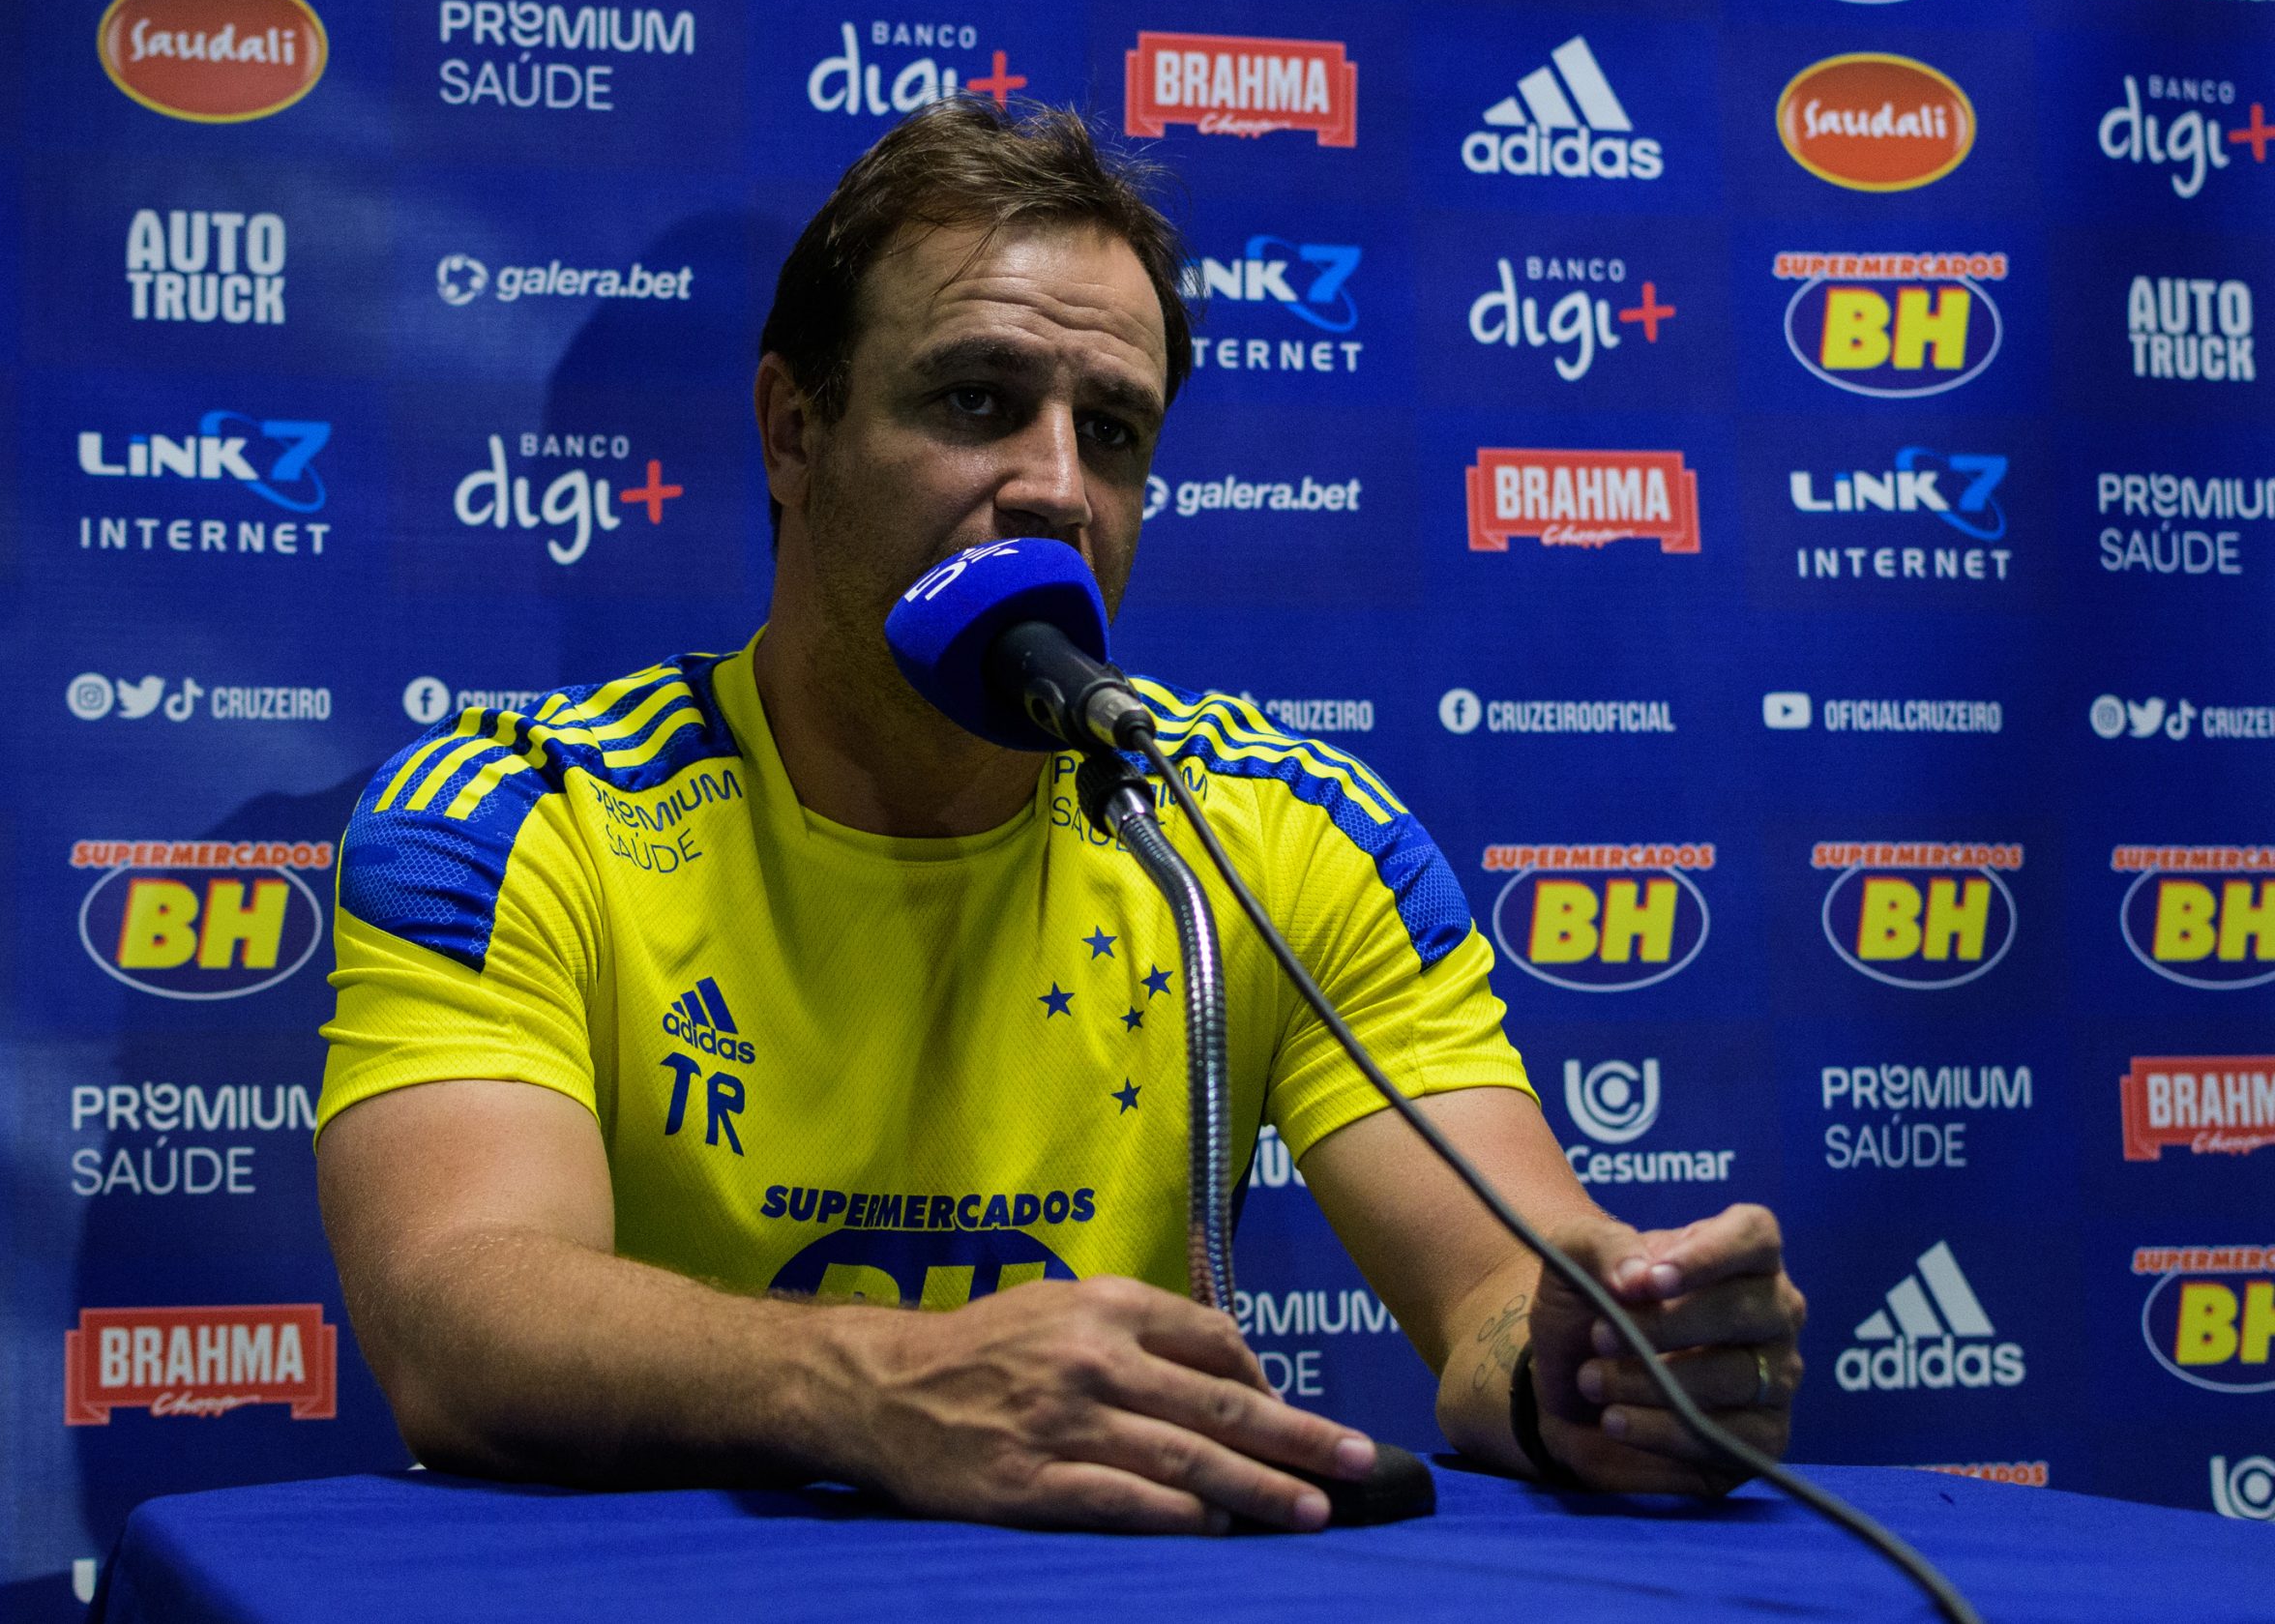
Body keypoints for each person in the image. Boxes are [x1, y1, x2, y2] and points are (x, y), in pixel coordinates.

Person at [314, 98, 1804, 1534]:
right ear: (791, 431)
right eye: (975, 401)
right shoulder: (518, 818)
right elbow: (460, 1312)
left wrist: (1598, 1367)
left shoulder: (1272, 831)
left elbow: (1495, 1296)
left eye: (1114, 432)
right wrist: (879, 1381)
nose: (1055, 490)